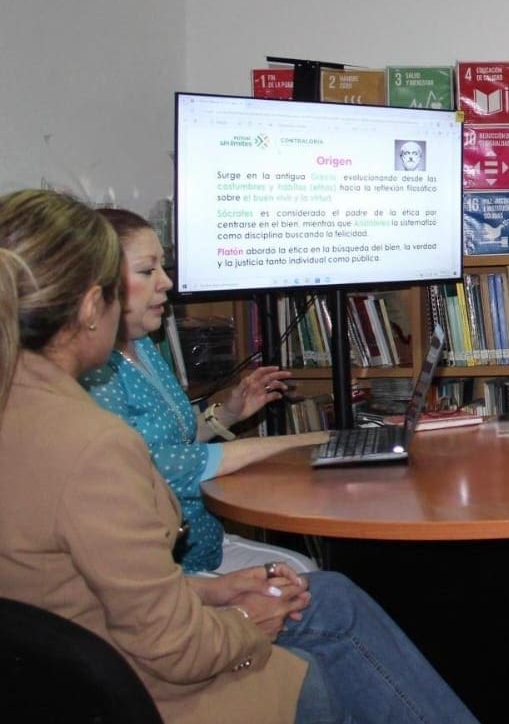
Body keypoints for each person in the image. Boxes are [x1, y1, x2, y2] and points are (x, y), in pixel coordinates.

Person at [0, 188, 479, 724]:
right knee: (320, 664)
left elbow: (85, 586)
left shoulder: (24, 410)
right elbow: (173, 646)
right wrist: (248, 619)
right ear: (92, 307)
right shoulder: (93, 445)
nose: (163, 283)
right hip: (122, 688)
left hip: (66, 668)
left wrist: (218, 591)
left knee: (332, 596)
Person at [80, 208, 329, 574]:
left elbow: (173, 438)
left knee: (305, 569)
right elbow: (154, 465)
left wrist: (227, 413)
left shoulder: (143, 344)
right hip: (164, 569)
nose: (166, 281)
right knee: (305, 577)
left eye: (162, 267)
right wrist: (314, 441)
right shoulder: (92, 371)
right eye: (147, 271)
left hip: (205, 543)